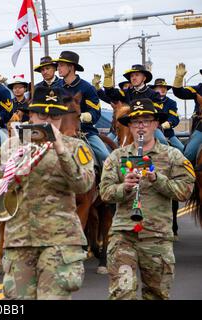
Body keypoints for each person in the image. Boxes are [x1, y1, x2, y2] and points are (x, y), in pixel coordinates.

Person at [0, 86, 95, 300]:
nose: (49, 121)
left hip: (59, 240)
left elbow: (84, 185)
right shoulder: (11, 146)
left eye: (55, 116)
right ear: (31, 115)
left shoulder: (76, 147)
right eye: (42, 115)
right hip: (20, 239)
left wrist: (61, 150)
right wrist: (13, 174)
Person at [100, 98, 195, 300]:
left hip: (157, 237)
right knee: (121, 295)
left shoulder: (173, 156)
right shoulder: (117, 157)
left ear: (155, 124)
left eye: (146, 120)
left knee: (157, 295)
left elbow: (185, 191)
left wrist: (157, 179)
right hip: (123, 235)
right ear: (129, 126)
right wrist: (123, 187)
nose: (141, 126)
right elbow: (105, 193)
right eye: (135, 121)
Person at [55, 50, 110, 165]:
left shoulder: (87, 88)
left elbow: (95, 111)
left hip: (84, 131)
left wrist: (83, 116)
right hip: (58, 131)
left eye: (61, 65)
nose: (58, 68)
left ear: (71, 67)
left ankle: (105, 182)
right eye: (58, 65)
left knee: (105, 155)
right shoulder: (55, 88)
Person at [172, 64, 202, 164]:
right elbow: (179, 92)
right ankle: (187, 178)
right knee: (188, 154)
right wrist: (179, 79)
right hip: (201, 128)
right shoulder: (198, 89)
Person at [150, 78, 184, 152]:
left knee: (182, 149)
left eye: (164, 87)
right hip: (152, 131)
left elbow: (174, 117)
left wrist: (168, 123)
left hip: (168, 134)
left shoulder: (171, 102)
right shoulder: (149, 101)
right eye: (160, 87)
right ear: (154, 89)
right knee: (162, 141)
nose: (163, 89)